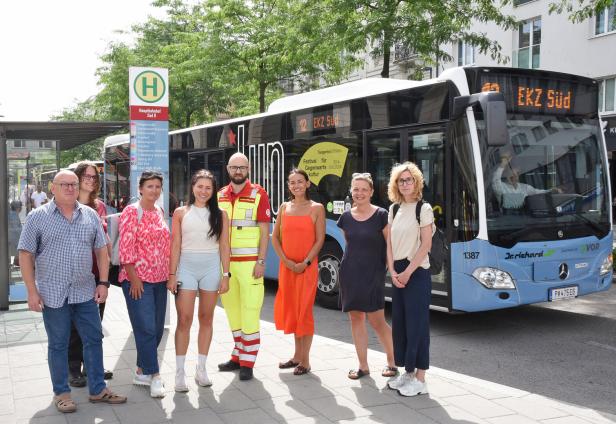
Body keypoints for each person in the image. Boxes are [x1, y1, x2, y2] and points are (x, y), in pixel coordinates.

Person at [17, 170, 127, 413]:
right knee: (58, 344)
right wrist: (31, 291)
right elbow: (25, 254)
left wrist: (103, 282)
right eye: (64, 184)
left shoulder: (89, 215)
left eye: (73, 184)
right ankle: (62, 393)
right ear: (52, 188)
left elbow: (101, 250)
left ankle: (98, 389)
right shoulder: (38, 217)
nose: (69, 188)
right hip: (53, 293)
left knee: (94, 339)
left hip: (85, 292)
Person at [167, 170, 231, 392]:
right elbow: (175, 245)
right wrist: (172, 274)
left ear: (213, 191)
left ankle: (201, 369)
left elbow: (224, 246)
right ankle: (179, 373)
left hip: (211, 269)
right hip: (186, 268)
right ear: (192, 186)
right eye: (200, 186)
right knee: (184, 320)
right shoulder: (180, 212)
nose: (203, 191)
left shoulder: (221, 214)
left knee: (206, 318)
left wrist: (226, 275)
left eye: (208, 187)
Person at [336, 172, 397, 380]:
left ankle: (393, 362)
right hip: (350, 273)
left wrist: (392, 271)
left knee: (377, 320)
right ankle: (363, 366)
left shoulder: (382, 215)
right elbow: (350, 246)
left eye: (364, 189)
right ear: (351, 192)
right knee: (355, 318)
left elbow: (390, 246)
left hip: (374, 273)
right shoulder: (345, 217)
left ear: (371, 191)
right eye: (356, 189)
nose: (359, 193)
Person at [217, 153, 271, 381]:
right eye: (234, 167)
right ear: (228, 169)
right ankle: (238, 355)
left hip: (250, 265)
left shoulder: (259, 194)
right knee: (232, 311)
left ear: (248, 169)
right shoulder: (219, 195)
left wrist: (261, 261)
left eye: (242, 167)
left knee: (250, 310)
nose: (238, 171)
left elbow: (264, 231)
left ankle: (248, 361)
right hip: (225, 266)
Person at [118, 170, 170, 398]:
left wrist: (170, 274)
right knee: (145, 328)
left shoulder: (159, 210)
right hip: (137, 280)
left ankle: (141, 370)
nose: (154, 190)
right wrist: (134, 277)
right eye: (150, 186)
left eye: (158, 186)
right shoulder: (131, 212)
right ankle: (155, 375)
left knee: (157, 328)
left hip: (160, 279)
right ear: (140, 188)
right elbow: (126, 248)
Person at [386, 162, 433, 397]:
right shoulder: (394, 209)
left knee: (418, 325)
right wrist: (393, 270)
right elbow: (389, 244)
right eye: (401, 180)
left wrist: (406, 272)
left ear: (416, 182)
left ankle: (421, 379)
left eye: (409, 180)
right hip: (398, 270)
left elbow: (426, 245)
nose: (405, 184)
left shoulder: (423, 209)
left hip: (417, 270)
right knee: (401, 325)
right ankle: (408, 371)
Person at [272, 169, 325, 376]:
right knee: (292, 311)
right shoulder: (285, 207)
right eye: (292, 182)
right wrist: (286, 261)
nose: (296, 186)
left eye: (300, 182)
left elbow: (320, 239)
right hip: (287, 268)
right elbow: (275, 238)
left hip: (307, 268)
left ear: (308, 184)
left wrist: (305, 262)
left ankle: (306, 361)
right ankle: (296, 356)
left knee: (304, 311)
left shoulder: (316, 208)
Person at [67, 161, 114, 387]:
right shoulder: (66, 203)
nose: (91, 179)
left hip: (97, 273)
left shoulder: (100, 207)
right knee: (75, 325)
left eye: (94, 177)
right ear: (77, 177)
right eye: (86, 175)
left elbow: (103, 241)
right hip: (74, 274)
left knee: (95, 323)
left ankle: (92, 365)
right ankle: (73, 368)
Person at [8, 200, 22, 267]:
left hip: (10, 237)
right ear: (18, 208)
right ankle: (11, 263)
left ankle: (11, 263)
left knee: (11, 252)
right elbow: (17, 229)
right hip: (13, 237)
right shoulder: (14, 215)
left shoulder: (11, 214)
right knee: (13, 252)